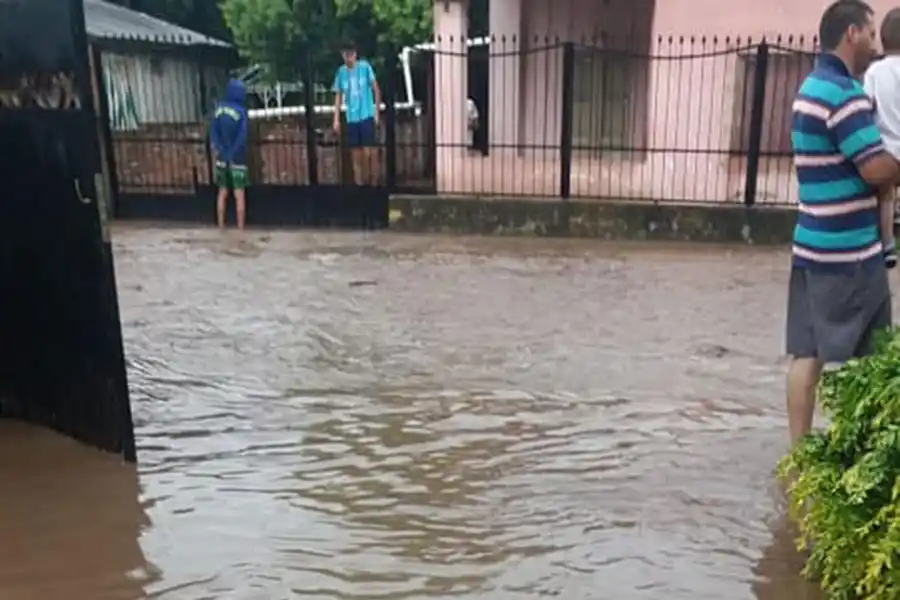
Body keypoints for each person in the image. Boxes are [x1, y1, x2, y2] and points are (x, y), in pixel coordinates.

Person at [786, 0, 900, 446]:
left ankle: (798, 454)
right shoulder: (846, 96)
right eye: (871, 34)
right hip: (850, 252)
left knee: (807, 353)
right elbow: (875, 170)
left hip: (811, 245)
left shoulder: (809, 89)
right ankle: (856, 450)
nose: (876, 44)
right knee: (870, 358)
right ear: (851, 33)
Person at [864, 8, 900, 268]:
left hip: (887, 149)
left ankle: (887, 244)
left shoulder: (875, 72)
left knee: (885, 196)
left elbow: (867, 103)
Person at [332, 41, 381, 185]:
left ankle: (373, 183)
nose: (349, 57)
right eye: (346, 54)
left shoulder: (365, 67)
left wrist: (376, 112)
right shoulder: (341, 72)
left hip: (366, 114)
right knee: (355, 155)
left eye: (351, 54)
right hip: (352, 117)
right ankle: (359, 185)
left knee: (368, 152)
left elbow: (376, 89)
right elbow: (338, 95)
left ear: (355, 54)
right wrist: (336, 118)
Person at [210, 79, 249, 230]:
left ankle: (221, 226)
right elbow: (242, 136)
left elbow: (213, 133)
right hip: (238, 158)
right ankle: (240, 229)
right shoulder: (241, 112)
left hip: (221, 158)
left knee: (222, 192)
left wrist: (221, 150)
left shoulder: (218, 110)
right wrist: (233, 152)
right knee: (239, 194)